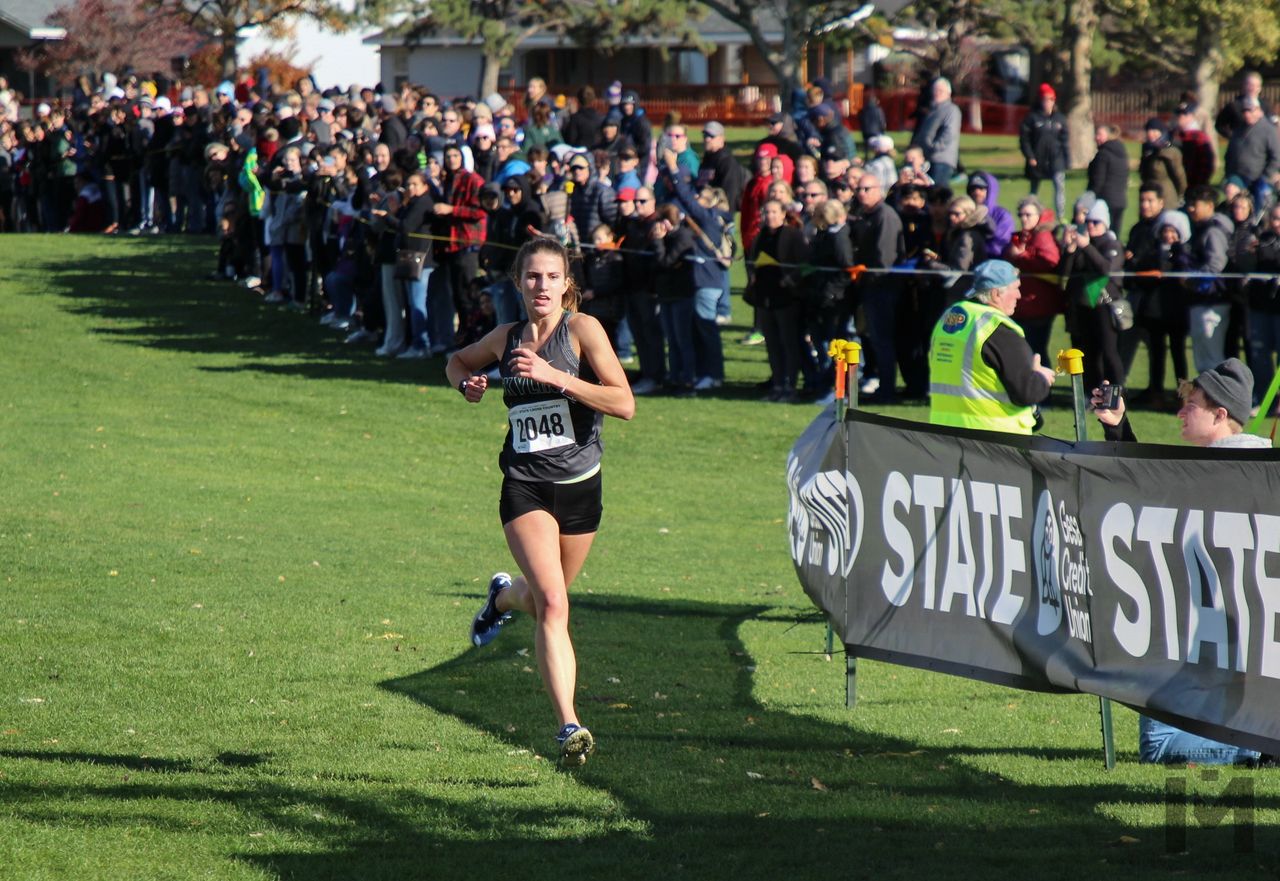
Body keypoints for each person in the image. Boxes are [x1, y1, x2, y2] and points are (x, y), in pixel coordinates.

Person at [447, 237, 635, 767]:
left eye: (552, 277)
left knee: (542, 599)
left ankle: (502, 598)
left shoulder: (583, 331)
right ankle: (568, 726)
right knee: (554, 605)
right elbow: (456, 362)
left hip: (581, 488)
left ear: (567, 283)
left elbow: (624, 403)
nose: (542, 286)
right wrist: (468, 386)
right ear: (518, 283)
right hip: (525, 485)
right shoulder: (506, 337)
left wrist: (558, 377)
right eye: (532, 277)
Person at [1093, 359, 1268, 766]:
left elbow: (1149, 495)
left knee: (1158, 746)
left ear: (1220, 414)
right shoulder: (1249, 467)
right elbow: (1151, 490)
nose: (1179, 413)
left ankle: (1258, 749)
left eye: (1191, 405)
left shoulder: (1214, 475)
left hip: (1205, 634)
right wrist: (1118, 427)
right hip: (1221, 637)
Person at [929, 259, 1058, 433]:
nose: (1019, 295)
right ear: (997, 294)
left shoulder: (949, 318)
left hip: (945, 433)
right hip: (993, 440)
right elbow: (1027, 392)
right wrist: (1041, 378)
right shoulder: (997, 328)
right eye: (1016, 288)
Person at [1019, 83, 1069, 218]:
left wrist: (1066, 160)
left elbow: (1065, 141)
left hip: (1056, 160)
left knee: (1059, 187)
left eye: (1051, 99)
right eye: (1045, 99)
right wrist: (1030, 156)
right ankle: (1030, 213)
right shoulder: (1032, 118)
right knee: (1034, 190)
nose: (1048, 103)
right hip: (1037, 160)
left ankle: (1061, 217)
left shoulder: (1060, 119)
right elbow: (1025, 140)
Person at [910, 77, 961, 185]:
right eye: (935, 90)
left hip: (941, 160)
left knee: (936, 193)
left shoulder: (951, 110)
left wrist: (934, 147)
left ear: (948, 93)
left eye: (940, 91)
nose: (937, 93)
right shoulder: (932, 111)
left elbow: (949, 133)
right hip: (928, 159)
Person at [1088, 124, 1130, 234]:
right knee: (1115, 234)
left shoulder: (1103, 154)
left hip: (1105, 200)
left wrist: (1089, 197)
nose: (1096, 137)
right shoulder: (1122, 152)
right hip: (1120, 200)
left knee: (1103, 234)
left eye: (1099, 134)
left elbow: (1098, 181)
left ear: (1108, 136)